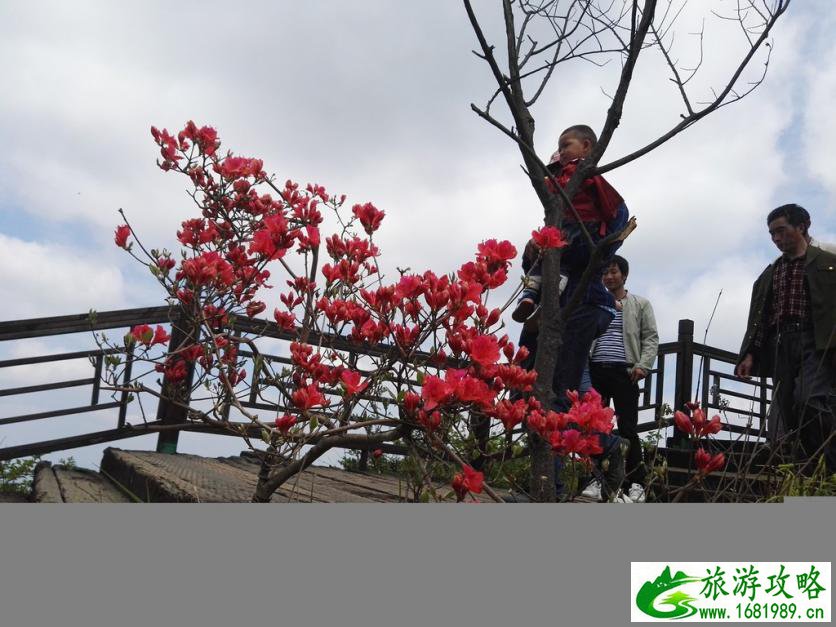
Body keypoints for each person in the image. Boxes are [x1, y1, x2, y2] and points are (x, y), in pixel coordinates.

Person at [513, 124, 633, 502]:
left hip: (582, 305)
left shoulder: (597, 188)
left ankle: (550, 487)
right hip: (550, 308)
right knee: (527, 389)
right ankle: (584, 459)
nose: (561, 150)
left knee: (556, 395)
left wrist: (577, 246)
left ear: (588, 147)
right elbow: (541, 264)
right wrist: (536, 250)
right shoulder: (559, 203)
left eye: (567, 144)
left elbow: (611, 233)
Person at [735, 203, 836, 473]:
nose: (776, 239)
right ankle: (813, 469)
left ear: (802, 226)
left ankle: (830, 462)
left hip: (815, 341)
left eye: (781, 231)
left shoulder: (828, 262)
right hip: (780, 343)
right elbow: (761, 318)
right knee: (789, 412)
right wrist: (750, 353)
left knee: (809, 398)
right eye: (772, 234)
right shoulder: (772, 272)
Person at [581, 255, 658, 503]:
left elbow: (651, 337)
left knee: (628, 429)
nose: (609, 277)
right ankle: (594, 480)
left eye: (613, 272)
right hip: (595, 370)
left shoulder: (640, 304)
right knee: (594, 427)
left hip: (626, 372)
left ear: (624, 275)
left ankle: (636, 484)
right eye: (605, 272)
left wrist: (643, 365)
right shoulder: (595, 302)